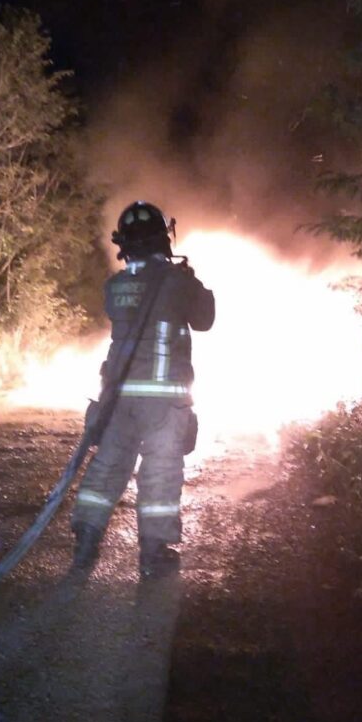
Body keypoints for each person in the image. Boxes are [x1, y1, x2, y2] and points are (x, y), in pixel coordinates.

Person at [71, 201, 215, 577]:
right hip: (163, 399)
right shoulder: (178, 282)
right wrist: (189, 279)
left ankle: (86, 540)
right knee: (161, 471)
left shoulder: (115, 286)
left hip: (118, 398)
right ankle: (154, 553)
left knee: (107, 466)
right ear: (163, 239)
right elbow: (205, 319)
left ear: (124, 244)